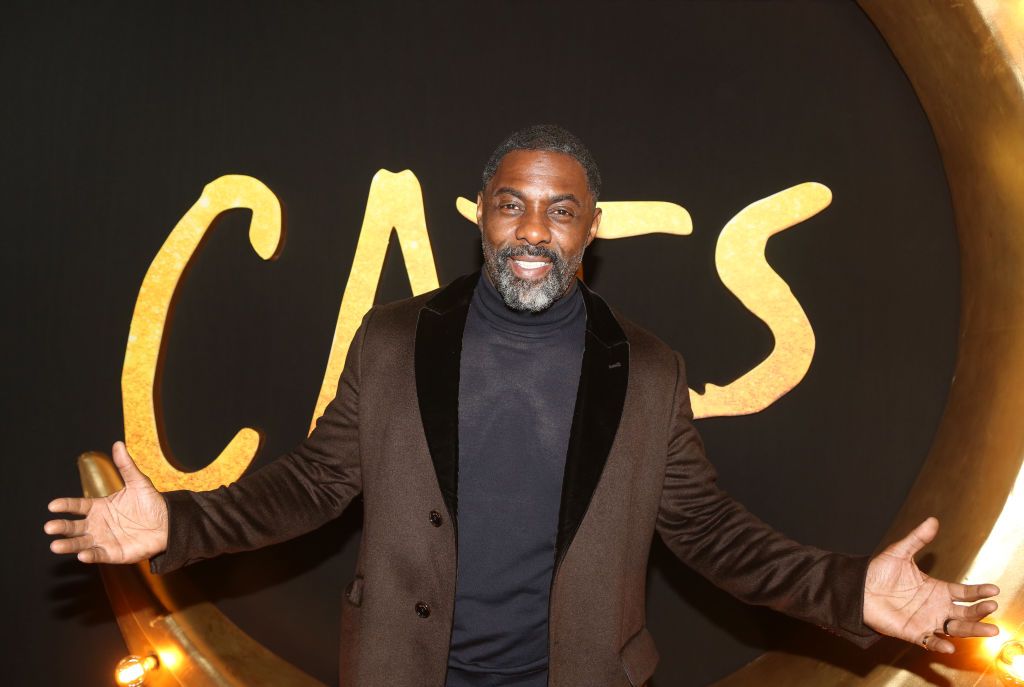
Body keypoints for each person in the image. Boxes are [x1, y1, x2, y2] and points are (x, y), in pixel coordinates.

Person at [46, 125, 999, 687]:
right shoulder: (391, 342)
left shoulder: (653, 370)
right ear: (481, 216)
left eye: (558, 209)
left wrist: (849, 594)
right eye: (512, 204)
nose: (532, 230)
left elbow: (712, 534)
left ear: (592, 225)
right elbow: (308, 488)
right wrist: (178, 523)